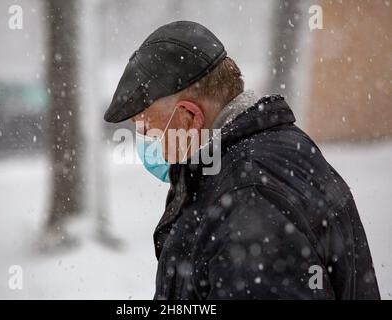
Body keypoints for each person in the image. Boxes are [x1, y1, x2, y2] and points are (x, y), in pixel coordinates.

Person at [103, 21, 380, 299]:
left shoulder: (249, 196)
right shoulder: (276, 150)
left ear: (188, 118)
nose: (146, 144)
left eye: (147, 129)